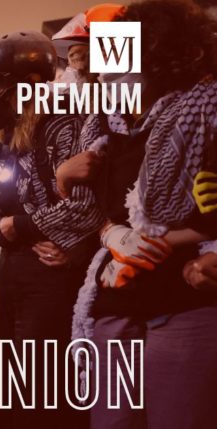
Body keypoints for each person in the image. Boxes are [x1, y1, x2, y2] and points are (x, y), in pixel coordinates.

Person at [57, 2, 217, 427]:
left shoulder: (204, 114)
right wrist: (109, 232)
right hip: (117, 303)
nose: (111, 69)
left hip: (184, 302)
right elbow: (96, 212)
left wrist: (179, 244)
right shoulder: (110, 130)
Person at [0, 30, 103, 428]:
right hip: (12, 271)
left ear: (29, 85)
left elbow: (83, 208)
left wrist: (15, 226)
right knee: (5, 390)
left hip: (49, 276)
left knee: (42, 395)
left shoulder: (65, 123)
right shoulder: (5, 138)